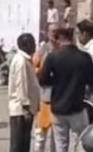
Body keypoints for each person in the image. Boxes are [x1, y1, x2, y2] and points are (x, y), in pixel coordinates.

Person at [39, 27, 93, 152]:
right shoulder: (85, 57)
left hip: (58, 107)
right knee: (80, 141)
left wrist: (56, 81)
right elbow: (91, 80)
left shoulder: (53, 57)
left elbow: (43, 80)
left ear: (59, 39)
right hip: (77, 107)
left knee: (61, 143)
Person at [9, 33, 40, 152]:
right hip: (21, 110)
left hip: (26, 109)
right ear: (26, 45)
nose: (35, 46)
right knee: (18, 145)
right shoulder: (21, 61)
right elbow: (21, 85)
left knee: (24, 144)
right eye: (33, 43)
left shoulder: (26, 60)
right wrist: (26, 107)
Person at [33, 23, 59, 152]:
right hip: (44, 96)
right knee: (41, 132)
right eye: (52, 31)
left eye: (57, 31)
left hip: (59, 96)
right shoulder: (42, 49)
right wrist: (43, 72)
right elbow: (34, 67)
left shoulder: (61, 49)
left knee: (56, 134)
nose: (55, 34)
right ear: (47, 33)